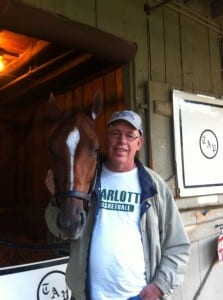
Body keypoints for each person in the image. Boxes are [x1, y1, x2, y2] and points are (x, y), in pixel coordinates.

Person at [45, 110, 190, 300]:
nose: (122, 141)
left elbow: (178, 245)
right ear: (106, 138)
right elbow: (61, 232)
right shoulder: (88, 180)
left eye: (130, 135)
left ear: (139, 143)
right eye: (115, 133)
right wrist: (56, 199)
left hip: (139, 296)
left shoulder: (154, 187)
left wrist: (160, 286)